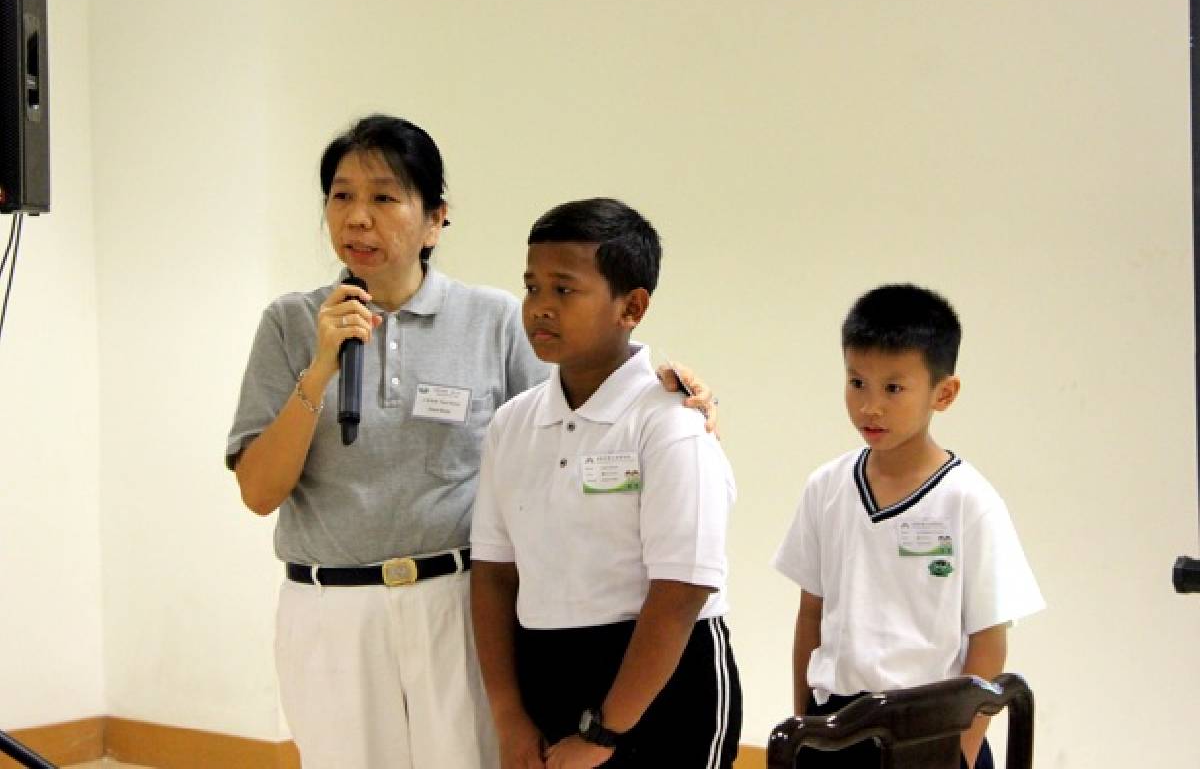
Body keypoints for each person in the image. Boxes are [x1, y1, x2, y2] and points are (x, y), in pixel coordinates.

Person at [225, 117, 716, 769]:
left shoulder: (492, 320)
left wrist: (670, 393)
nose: (358, 219)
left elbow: (573, 411)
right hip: (328, 610)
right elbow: (260, 493)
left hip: (455, 604)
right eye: (341, 197)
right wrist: (319, 369)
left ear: (434, 220)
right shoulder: (291, 323)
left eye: (384, 197)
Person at [470, 198, 741, 769]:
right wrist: (508, 714)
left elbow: (681, 591)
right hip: (545, 670)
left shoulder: (669, 422)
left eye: (564, 290)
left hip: (664, 680)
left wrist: (606, 733)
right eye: (532, 287)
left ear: (632, 307)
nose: (541, 308)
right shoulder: (512, 423)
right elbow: (494, 575)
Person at [772, 284, 1045, 769]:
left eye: (893, 389)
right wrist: (807, 725)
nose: (870, 406)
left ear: (944, 393)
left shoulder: (969, 500)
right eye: (857, 383)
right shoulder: (826, 487)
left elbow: (989, 639)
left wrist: (960, 750)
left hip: (936, 732)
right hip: (837, 725)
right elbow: (810, 614)